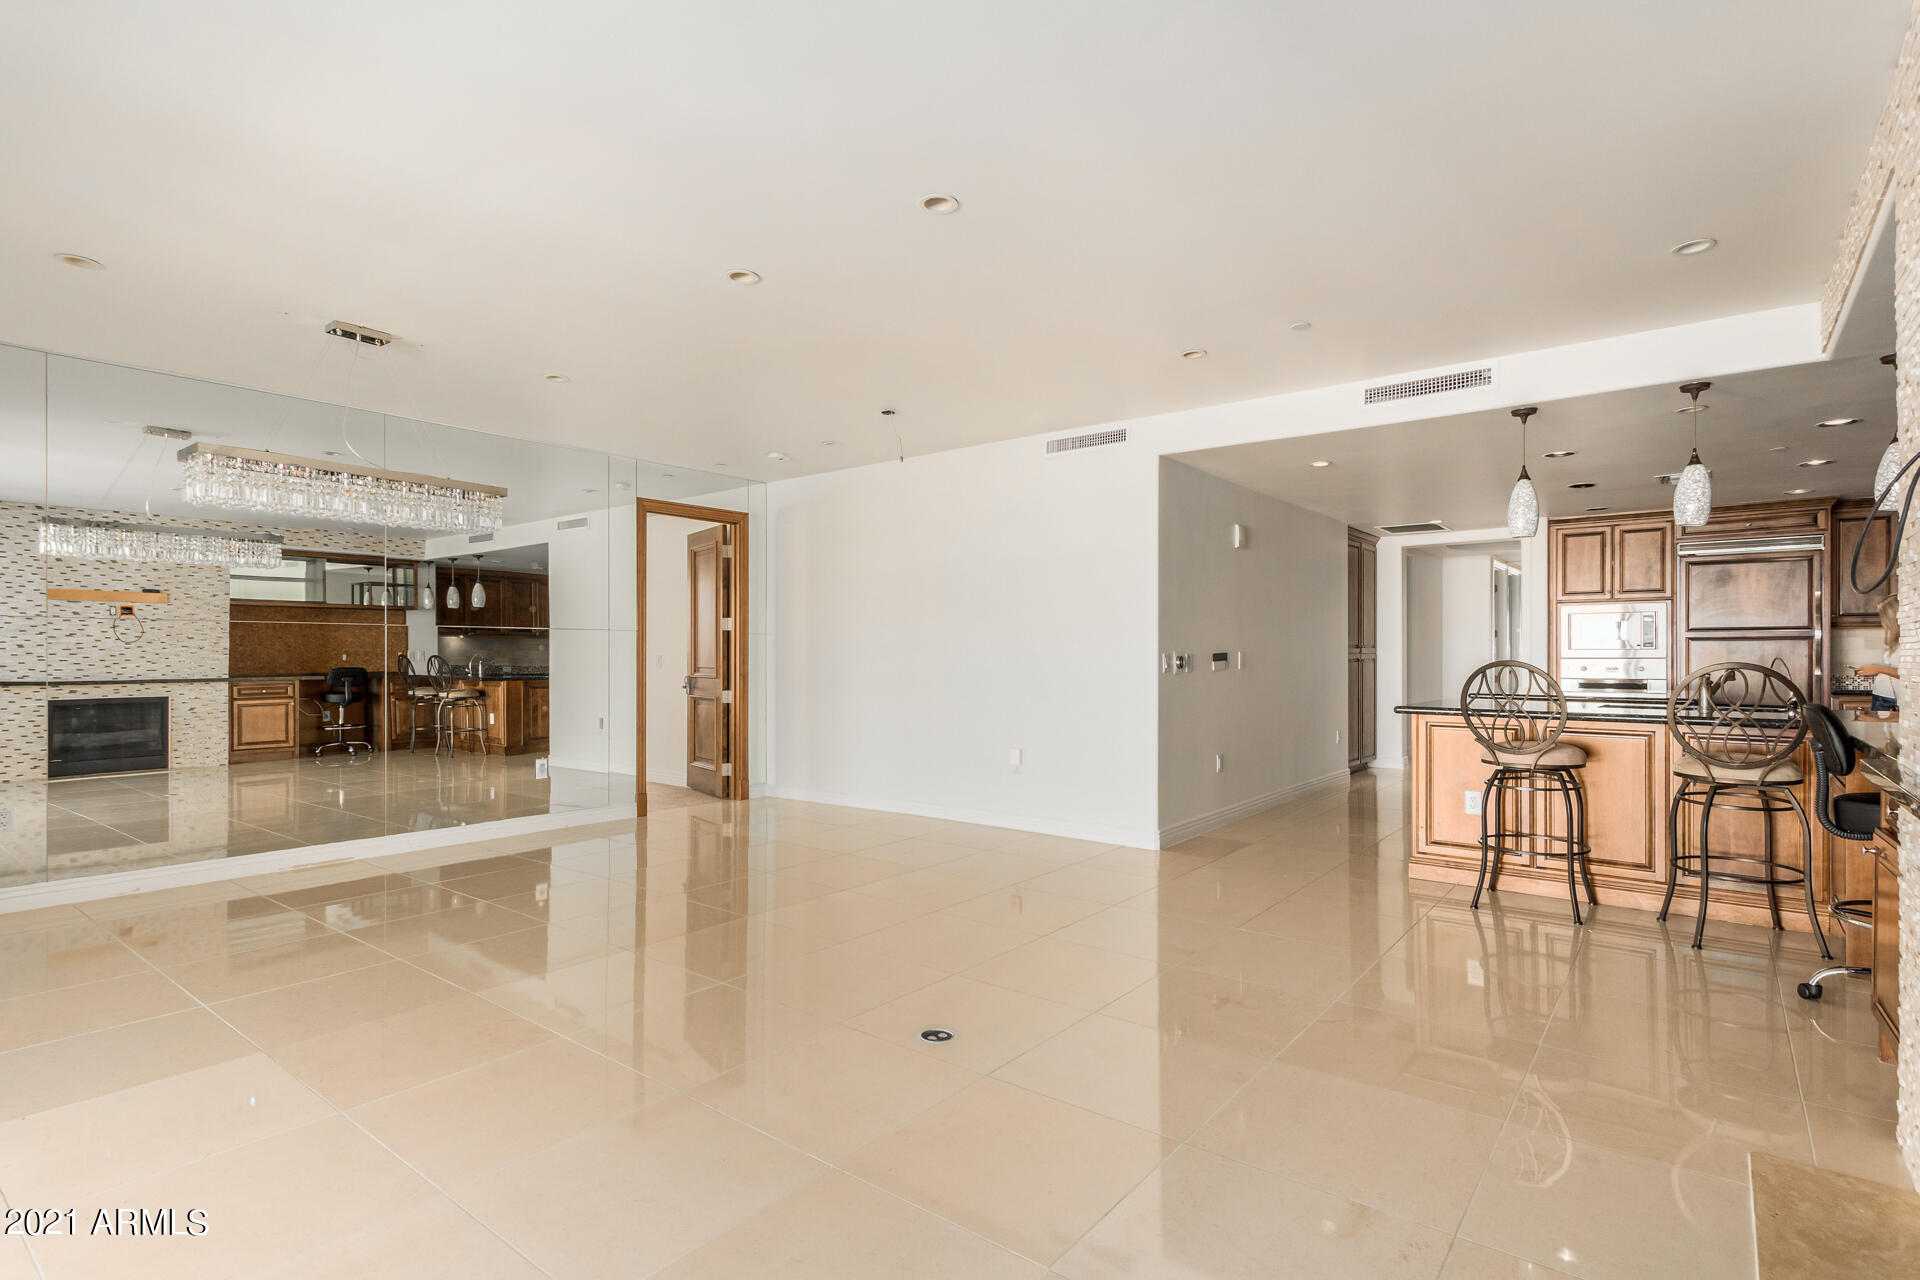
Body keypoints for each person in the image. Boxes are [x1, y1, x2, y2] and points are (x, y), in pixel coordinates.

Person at [1858, 594, 1900, 716]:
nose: (1883, 621)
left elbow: (1912, 675)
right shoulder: (1897, 642)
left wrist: (1877, 670)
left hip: (1894, 703)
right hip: (1888, 701)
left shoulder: (1910, 643)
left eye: (1884, 617)